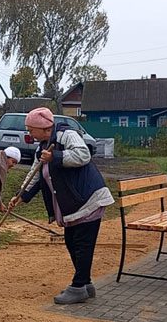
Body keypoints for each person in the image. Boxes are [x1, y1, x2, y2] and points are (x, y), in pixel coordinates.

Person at [9, 107, 114, 305]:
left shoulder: (67, 135)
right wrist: (20, 196)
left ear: (44, 128)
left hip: (88, 199)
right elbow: (36, 175)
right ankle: (85, 284)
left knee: (82, 244)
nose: (28, 133)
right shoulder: (42, 148)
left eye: (31, 129)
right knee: (72, 242)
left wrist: (56, 157)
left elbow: (84, 155)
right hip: (74, 205)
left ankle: (78, 286)